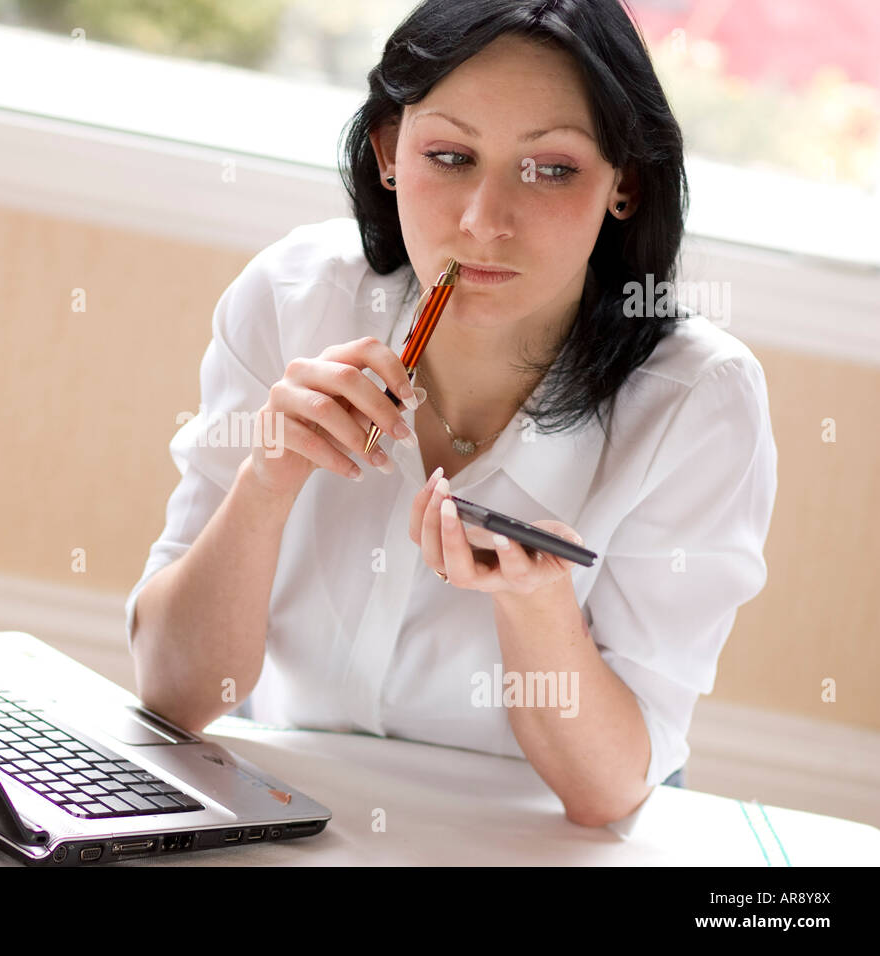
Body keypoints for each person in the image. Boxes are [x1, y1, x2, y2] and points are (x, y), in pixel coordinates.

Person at [125, 0, 777, 827]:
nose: (483, 223)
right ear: (391, 153)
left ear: (626, 183)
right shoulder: (293, 298)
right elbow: (173, 695)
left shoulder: (699, 401)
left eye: (551, 169)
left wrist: (535, 607)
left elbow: (607, 792)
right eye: (450, 156)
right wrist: (267, 478)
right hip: (299, 808)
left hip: (532, 835)